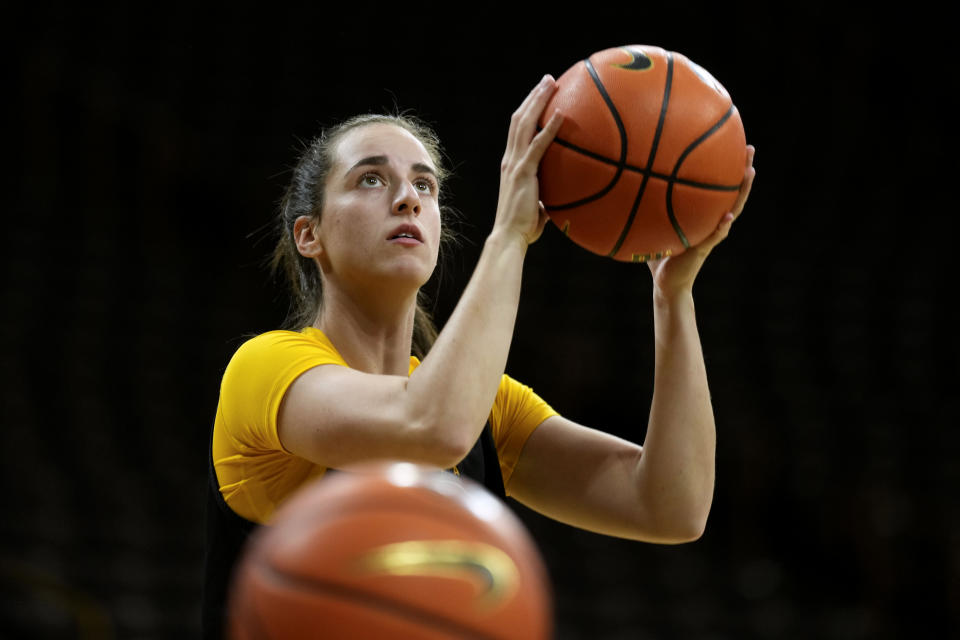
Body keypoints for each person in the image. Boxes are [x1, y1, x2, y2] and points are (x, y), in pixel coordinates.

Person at [201, 74, 756, 638]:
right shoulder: (266, 366)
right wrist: (509, 236)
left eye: (425, 185)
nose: (407, 197)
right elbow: (430, 426)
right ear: (308, 234)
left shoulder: (483, 406)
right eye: (371, 179)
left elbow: (672, 505)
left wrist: (673, 296)